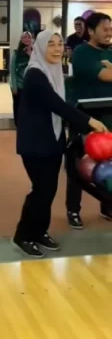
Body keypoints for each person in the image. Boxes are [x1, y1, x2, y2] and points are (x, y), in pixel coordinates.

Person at [13, 32, 106, 258]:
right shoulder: (35, 74)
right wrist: (89, 121)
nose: (56, 49)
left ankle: (39, 230)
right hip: (35, 143)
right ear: (40, 48)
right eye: (51, 44)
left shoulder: (54, 72)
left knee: (49, 190)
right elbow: (57, 105)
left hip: (53, 141)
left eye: (60, 44)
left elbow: (65, 101)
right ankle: (24, 235)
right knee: (41, 190)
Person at [64, 12, 112, 228]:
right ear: (91, 31)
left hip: (109, 118)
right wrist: (107, 70)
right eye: (105, 29)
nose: (109, 33)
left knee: (108, 167)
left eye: (111, 29)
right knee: (79, 166)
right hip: (85, 118)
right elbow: (104, 76)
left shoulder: (109, 52)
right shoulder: (82, 52)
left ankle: (107, 205)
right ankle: (73, 209)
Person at [9, 31, 33, 125]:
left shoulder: (35, 52)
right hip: (19, 84)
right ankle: (18, 124)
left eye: (29, 37)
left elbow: (37, 66)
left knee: (30, 105)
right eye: (24, 37)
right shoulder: (16, 53)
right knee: (18, 105)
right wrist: (13, 86)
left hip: (30, 84)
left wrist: (30, 54)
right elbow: (12, 70)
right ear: (21, 40)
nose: (27, 39)